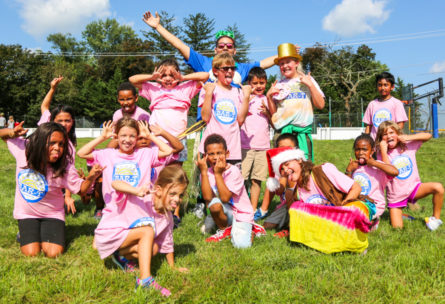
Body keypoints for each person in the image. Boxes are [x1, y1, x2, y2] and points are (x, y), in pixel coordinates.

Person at [0, 122, 102, 257]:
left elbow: (81, 190)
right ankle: (27, 233)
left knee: (54, 253)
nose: (57, 148)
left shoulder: (64, 166)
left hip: (52, 214)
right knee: (31, 253)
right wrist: (12, 132)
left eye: (61, 144)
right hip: (27, 214)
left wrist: (91, 177)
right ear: (40, 142)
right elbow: (3, 135)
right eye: (52, 143)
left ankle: (46, 232)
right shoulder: (24, 150)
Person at [95, 164, 189, 297]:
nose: (177, 199)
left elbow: (167, 242)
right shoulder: (143, 197)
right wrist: (135, 191)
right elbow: (115, 183)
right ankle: (145, 280)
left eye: (180, 195)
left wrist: (173, 266)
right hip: (111, 235)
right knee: (147, 231)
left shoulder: (168, 218)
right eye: (172, 194)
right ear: (158, 190)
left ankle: (120, 257)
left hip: (124, 242)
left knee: (154, 248)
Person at [265, 147, 376, 254]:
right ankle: (331, 242)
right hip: (328, 221)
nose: (286, 170)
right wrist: (289, 189)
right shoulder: (296, 191)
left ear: (299, 160)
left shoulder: (323, 170)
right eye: (282, 170)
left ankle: (356, 245)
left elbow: (356, 188)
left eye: (287, 164)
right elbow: (298, 217)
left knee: (354, 210)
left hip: (345, 210)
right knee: (296, 208)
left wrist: (342, 210)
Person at [76, 118, 177, 212]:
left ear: (137, 137)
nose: (128, 140)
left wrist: (150, 136)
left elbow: (168, 150)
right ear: (116, 136)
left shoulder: (145, 154)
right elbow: (81, 153)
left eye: (132, 136)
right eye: (123, 135)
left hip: (140, 207)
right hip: (114, 209)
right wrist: (102, 137)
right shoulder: (107, 154)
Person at [129, 58, 208, 162]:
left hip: (179, 138)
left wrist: (183, 77)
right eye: (164, 75)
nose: (168, 78)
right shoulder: (154, 88)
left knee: (177, 172)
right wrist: (152, 77)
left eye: (172, 75)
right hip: (158, 139)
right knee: (158, 171)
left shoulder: (186, 88)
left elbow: (205, 76)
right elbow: (132, 80)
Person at [196, 134, 265, 247]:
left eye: (219, 153)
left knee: (242, 246)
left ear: (227, 154)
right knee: (214, 204)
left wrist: (218, 174)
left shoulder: (233, 171)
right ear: (205, 156)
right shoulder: (206, 173)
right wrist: (203, 172)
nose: (215, 157)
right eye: (211, 154)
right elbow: (208, 198)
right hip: (224, 209)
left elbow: (225, 197)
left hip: (241, 213)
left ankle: (252, 229)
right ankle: (225, 230)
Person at [375, 121, 444, 230]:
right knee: (398, 229)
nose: (389, 136)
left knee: (438, 187)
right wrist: (383, 151)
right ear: (381, 138)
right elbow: (388, 171)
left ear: (398, 133)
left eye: (392, 132)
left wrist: (407, 137)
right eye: (384, 134)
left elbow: (428, 135)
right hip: (395, 197)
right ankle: (405, 217)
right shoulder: (380, 153)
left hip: (414, 189)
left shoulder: (408, 145)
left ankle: (435, 220)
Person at [267, 43, 325, 161]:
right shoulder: (278, 84)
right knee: (283, 169)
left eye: (288, 62)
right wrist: (269, 97)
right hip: (282, 133)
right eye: (281, 63)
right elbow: (275, 116)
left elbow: (321, 105)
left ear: (296, 63)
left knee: (304, 170)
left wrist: (310, 85)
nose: (285, 66)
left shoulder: (308, 80)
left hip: (301, 134)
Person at [198, 53, 250, 166]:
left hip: (232, 149)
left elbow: (240, 120)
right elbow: (205, 117)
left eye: (233, 68)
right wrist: (208, 94)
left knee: (232, 182)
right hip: (212, 149)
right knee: (210, 182)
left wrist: (246, 97)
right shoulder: (209, 89)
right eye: (225, 68)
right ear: (215, 71)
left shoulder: (238, 92)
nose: (230, 71)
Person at [39, 76, 79, 214]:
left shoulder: (69, 147)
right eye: (59, 120)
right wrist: (52, 89)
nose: (63, 124)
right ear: (52, 120)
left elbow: (69, 172)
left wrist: (68, 196)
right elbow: (44, 106)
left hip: (54, 180)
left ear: (72, 122)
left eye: (67, 120)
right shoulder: (45, 127)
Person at [345, 133, 398, 220]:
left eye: (364, 149)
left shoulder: (377, 167)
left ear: (372, 151)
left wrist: (374, 163)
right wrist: (349, 171)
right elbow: (345, 188)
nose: (361, 153)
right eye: (357, 149)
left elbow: (395, 172)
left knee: (355, 216)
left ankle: (372, 222)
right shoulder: (354, 166)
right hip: (356, 202)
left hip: (374, 206)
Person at [240, 67, 270, 212]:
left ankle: (252, 209)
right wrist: (246, 101)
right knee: (241, 178)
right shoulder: (244, 98)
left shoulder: (267, 100)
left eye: (262, 83)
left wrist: (268, 112)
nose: (259, 86)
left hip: (263, 147)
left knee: (256, 179)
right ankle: (240, 206)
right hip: (244, 146)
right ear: (249, 84)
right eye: (255, 83)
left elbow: (273, 121)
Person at [261, 134, 298, 237]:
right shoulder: (279, 171)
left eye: (288, 149)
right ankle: (287, 225)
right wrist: (283, 176)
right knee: (267, 225)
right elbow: (279, 191)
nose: (285, 152)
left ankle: (290, 229)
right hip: (286, 205)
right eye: (282, 149)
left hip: (300, 204)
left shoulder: (299, 166)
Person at [363, 72, 408, 140]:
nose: (382, 88)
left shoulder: (397, 103)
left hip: (390, 144)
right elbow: (369, 126)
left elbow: (400, 124)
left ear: (392, 87)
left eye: (386, 85)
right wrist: (366, 140)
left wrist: (392, 138)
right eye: (380, 85)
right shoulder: (372, 104)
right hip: (374, 145)